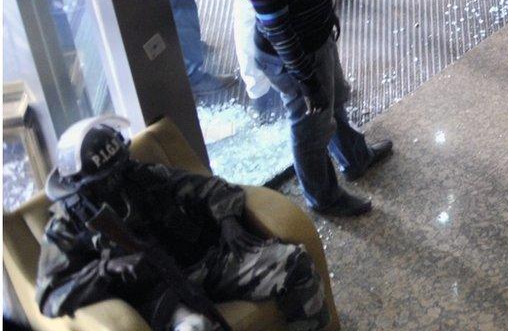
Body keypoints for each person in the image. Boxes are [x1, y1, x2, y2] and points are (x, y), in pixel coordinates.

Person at [35, 116, 330, 331]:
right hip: (160, 297)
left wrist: (228, 219)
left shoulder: (140, 177)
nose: (117, 179)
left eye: (119, 168)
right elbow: (49, 297)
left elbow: (210, 188)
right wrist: (105, 270)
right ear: (84, 185)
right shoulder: (68, 225)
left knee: (294, 263)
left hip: (205, 264)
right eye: (106, 178)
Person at [235, 0, 391, 217]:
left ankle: (355, 157)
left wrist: (326, 12)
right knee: (310, 127)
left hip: (316, 36)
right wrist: (306, 81)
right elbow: (278, 30)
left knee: (334, 101)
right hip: (295, 55)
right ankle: (324, 198)